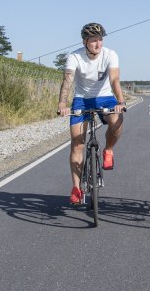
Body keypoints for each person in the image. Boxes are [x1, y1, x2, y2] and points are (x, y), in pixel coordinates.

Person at [58, 22, 126, 204]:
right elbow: (68, 81)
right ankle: (76, 188)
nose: (98, 44)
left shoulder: (110, 55)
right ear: (85, 41)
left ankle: (108, 150)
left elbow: (114, 80)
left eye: (100, 40)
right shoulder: (75, 56)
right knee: (77, 143)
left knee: (117, 122)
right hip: (81, 99)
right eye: (94, 40)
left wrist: (120, 101)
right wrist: (62, 103)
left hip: (105, 97)